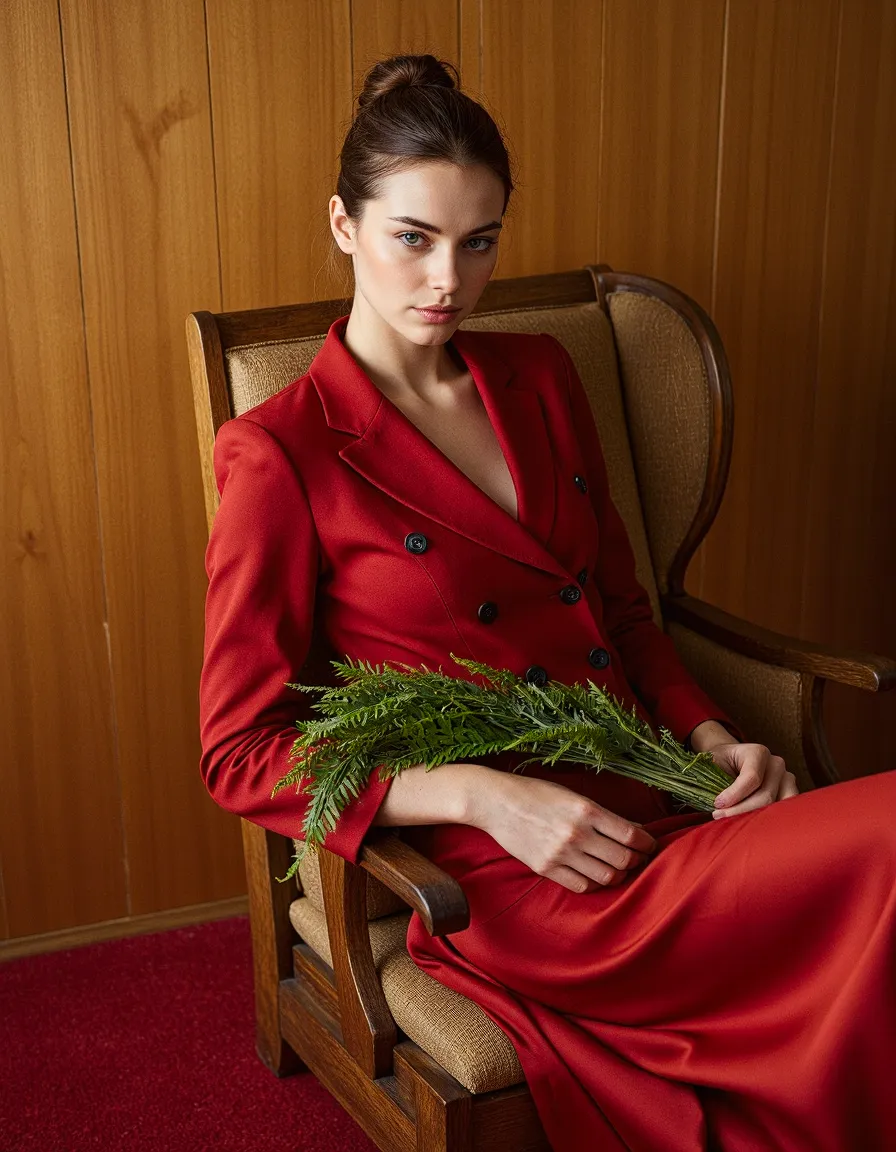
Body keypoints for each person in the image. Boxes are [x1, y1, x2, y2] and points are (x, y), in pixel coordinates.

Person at [199, 53, 896, 1152]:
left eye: (479, 243)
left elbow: (620, 613)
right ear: (343, 224)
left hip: (664, 807)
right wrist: (479, 797)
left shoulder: (541, 375)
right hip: (521, 878)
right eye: (412, 238)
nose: (447, 280)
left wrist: (716, 738)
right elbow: (237, 753)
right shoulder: (279, 453)